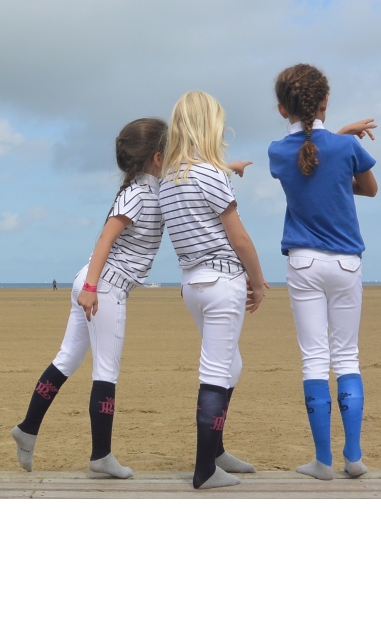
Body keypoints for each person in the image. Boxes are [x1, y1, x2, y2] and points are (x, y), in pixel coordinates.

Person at [11, 118, 168, 478]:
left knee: (67, 359)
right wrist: (92, 288)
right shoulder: (140, 194)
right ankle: (101, 455)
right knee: (106, 370)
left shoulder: (150, 188)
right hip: (104, 286)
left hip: (94, 281)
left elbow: (191, 178)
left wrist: (227, 167)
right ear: (157, 158)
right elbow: (105, 239)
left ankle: (28, 428)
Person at [268, 64, 378, 480]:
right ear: (325, 102)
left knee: (314, 359)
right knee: (347, 356)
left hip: (304, 262)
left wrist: (338, 138)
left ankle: (322, 461)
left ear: (283, 108)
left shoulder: (277, 152)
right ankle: (354, 456)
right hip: (346, 261)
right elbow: (369, 189)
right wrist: (344, 137)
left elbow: (307, 161)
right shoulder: (346, 148)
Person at [159, 91, 268, 490]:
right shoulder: (212, 175)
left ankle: (217, 451)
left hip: (192, 283)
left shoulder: (170, 178)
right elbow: (239, 238)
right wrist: (258, 281)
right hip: (222, 281)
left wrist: (228, 169)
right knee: (217, 371)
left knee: (230, 365)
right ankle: (204, 468)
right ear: (210, 125)